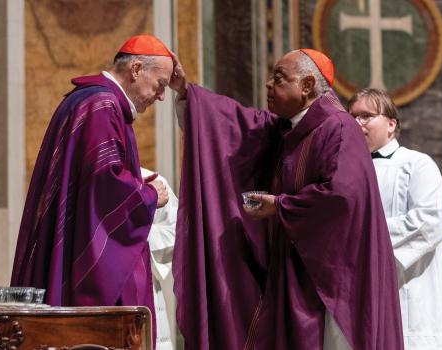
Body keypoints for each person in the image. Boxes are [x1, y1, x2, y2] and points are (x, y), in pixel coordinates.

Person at [168, 49, 404, 349]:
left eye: (279, 79)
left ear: (307, 86)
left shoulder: (339, 127)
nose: (268, 84)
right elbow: (232, 126)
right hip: (293, 271)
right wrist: (189, 93)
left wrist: (280, 206)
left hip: (331, 279)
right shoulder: (286, 128)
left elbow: (342, 196)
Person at [10, 34, 174, 342]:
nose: (161, 96)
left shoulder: (88, 99)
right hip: (86, 267)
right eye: (160, 84)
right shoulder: (102, 104)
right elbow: (105, 186)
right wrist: (150, 196)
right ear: (136, 69)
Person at [348, 88, 442, 349]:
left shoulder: (417, 164)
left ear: (391, 124)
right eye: (352, 117)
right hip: (360, 294)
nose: (356, 123)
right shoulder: (344, 173)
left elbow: (428, 220)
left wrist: (364, 238)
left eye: (365, 116)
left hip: (410, 292)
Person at [141, 167, 181, 350]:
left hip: (144, 288)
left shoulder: (152, 182)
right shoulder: (83, 184)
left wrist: (136, 235)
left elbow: (176, 231)